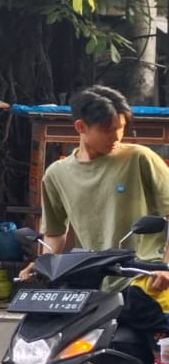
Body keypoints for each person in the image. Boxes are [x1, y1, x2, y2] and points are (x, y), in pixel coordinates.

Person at [24, 85, 169, 289]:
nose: (116, 137)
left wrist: (166, 266)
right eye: (107, 130)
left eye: (121, 128)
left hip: (146, 278)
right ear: (80, 127)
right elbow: (55, 233)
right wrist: (43, 265)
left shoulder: (139, 158)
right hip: (95, 280)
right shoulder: (57, 174)